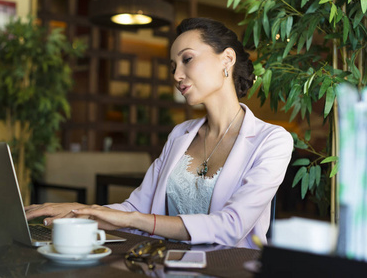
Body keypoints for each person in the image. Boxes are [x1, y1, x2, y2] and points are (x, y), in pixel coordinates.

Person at [25, 18, 293, 248]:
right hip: (165, 265)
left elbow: (231, 226)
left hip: (229, 270)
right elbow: (135, 208)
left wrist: (132, 220)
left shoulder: (271, 140)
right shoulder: (181, 134)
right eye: (173, 66)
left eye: (187, 59)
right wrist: (79, 211)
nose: (177, 75)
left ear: (227, 58)